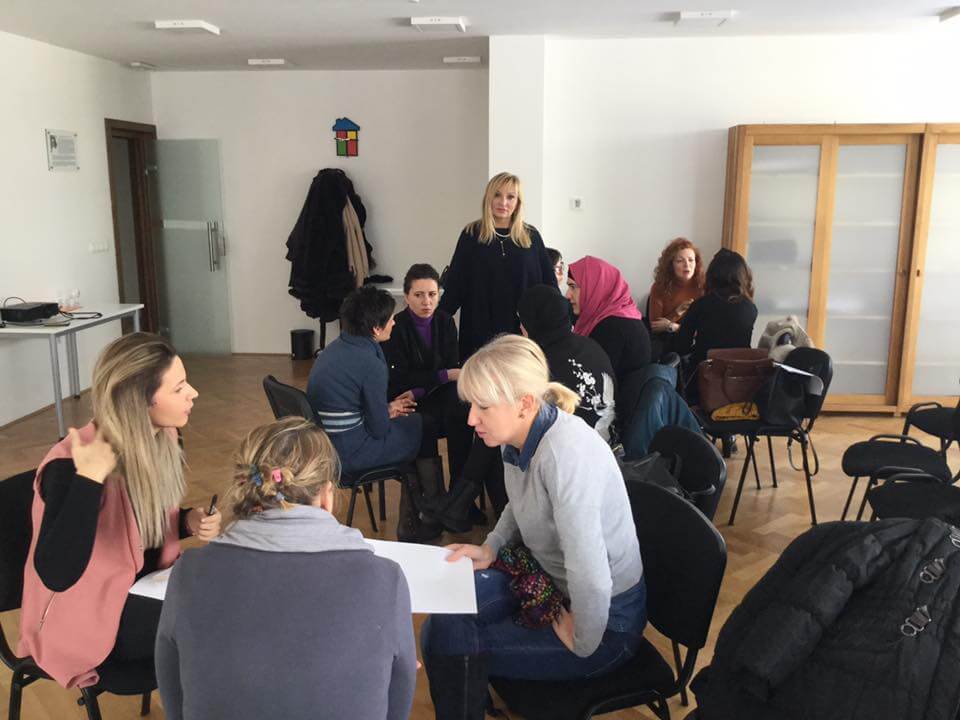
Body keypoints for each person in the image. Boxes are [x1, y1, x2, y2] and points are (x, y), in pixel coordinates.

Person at [420, 335, 646, 720]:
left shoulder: (564, 455)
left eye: (483, 406)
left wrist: (583, 639)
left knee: (451, 646)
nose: (471, 418)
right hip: (556, 582)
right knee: (441, 623)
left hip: (606, 623)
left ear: (525, 404)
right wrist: (491, 546)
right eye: (471, 405)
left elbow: (591, 575)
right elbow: (520, 500)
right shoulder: (519, 435)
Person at [155, 417, 417, 720]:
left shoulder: (188, 573)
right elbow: (398, 701)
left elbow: (172, 692)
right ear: (326, 497)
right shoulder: (385, 579)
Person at [17, 333, 221, 689]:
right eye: (179, 388)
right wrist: (89, 480)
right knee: (216, 631)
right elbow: (57, 573)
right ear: (139, 401)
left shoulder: (163, 437)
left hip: (137, 592)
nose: (194, 393)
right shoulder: (70, 467)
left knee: (226, 608)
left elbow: (136, 531)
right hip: (88, 626)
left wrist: (187, 521)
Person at [307, 284, 442, 541]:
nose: (394, 322)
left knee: (412, 426)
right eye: (390, 319)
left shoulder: (334, 349)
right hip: (350, 454)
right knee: (422, 425)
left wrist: (385, 409)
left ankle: (423, 512)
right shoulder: (370, 363)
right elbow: (379, 429)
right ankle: (427, 514)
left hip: (326, 447)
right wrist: (386, 412)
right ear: (375, 329)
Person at [439, 172, 555, 360]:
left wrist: (559, 324)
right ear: (488, 198)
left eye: (510, 197)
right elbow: (455, 285)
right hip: (479, 331)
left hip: (522, 333)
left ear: (518, 202)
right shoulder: (471, 234)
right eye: (497, 195)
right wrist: (434, 322)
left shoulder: (531, 236)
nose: (503, 202)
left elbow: (549, 287)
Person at [381, 264, 471, 484]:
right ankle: (431, 493)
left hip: (433, 393)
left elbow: (451, 368)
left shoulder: (446, 322)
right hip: (406, 398)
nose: (426, 302)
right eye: (419, 295)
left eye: (432, 294)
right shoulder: (396, 327)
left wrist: (422, 387)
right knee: (424, 422)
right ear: (406, 297)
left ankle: (460, 489)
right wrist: (442, 376)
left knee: (462, 410)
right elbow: (400, 378)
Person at [518, 284, 616, 441]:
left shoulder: (539, 365)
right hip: (606, 444)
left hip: (570, 450)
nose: (520, 327)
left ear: (533, 323)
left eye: (522, 320)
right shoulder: (591, 345)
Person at [566, 256, 651, 418]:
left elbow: (592, 385)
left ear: (595, 286)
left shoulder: (611, 328)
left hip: (619, 416)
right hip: (630, 408)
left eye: (573, 287)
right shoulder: (623, 314)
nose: (568, 295)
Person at [675, 248, 759, 404]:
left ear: (712, 276)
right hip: (740, 384)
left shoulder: (701, 305)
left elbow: (681, 345)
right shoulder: (750, 308)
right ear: (743, 276)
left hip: (702, 383)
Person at [648, 237, 705, 359]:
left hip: (693, 343)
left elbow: (703, 330)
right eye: (680, 261)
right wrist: (677, 312)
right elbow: (655, 327)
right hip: (666, 343)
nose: (687, 265)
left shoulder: (703, 287)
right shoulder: (659, 287)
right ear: (671, 265)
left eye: (691, 260)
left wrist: (672, 326)